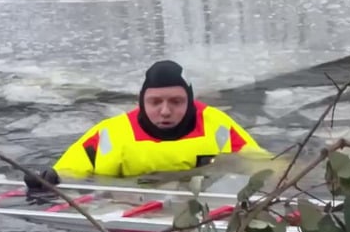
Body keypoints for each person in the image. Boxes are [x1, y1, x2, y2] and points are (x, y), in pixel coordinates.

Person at [27, 59, 268, 186]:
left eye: (176, 101)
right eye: (155, 102)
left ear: (190, 101)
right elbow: (71, 168)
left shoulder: (215, 125)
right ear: (141, 102)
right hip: (130, 211)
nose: (165, 111)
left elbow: (258, 161)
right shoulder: (113, 133)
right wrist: (50, 178)